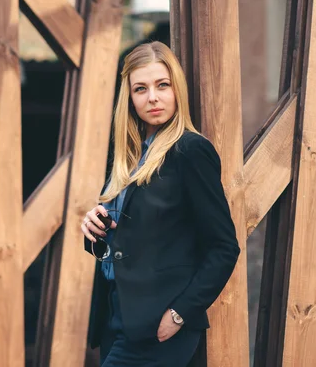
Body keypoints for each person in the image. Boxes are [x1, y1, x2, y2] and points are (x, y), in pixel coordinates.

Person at [81, 41, 240, 366]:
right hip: (117, 316)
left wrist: (180, 314)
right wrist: (93, 229)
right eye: (141, 88)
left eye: (162, 85)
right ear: (130, 98)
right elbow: (121, 246)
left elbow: (224, 247)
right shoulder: (128, 159)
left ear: (176, 90)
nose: (152, 97)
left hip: (158, 324)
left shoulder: (190, 152)